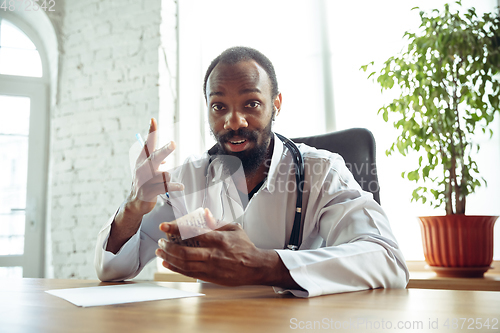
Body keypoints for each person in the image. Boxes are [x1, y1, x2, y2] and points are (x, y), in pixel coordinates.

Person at [95, 46, 409, 297]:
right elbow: (113, 269)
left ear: (276, 104)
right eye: (219, 107)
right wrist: (133, 207)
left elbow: (387, 260)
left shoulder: (322, 171)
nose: (234, 121)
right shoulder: (187, 179)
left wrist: (263, 266)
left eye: (251, 104)